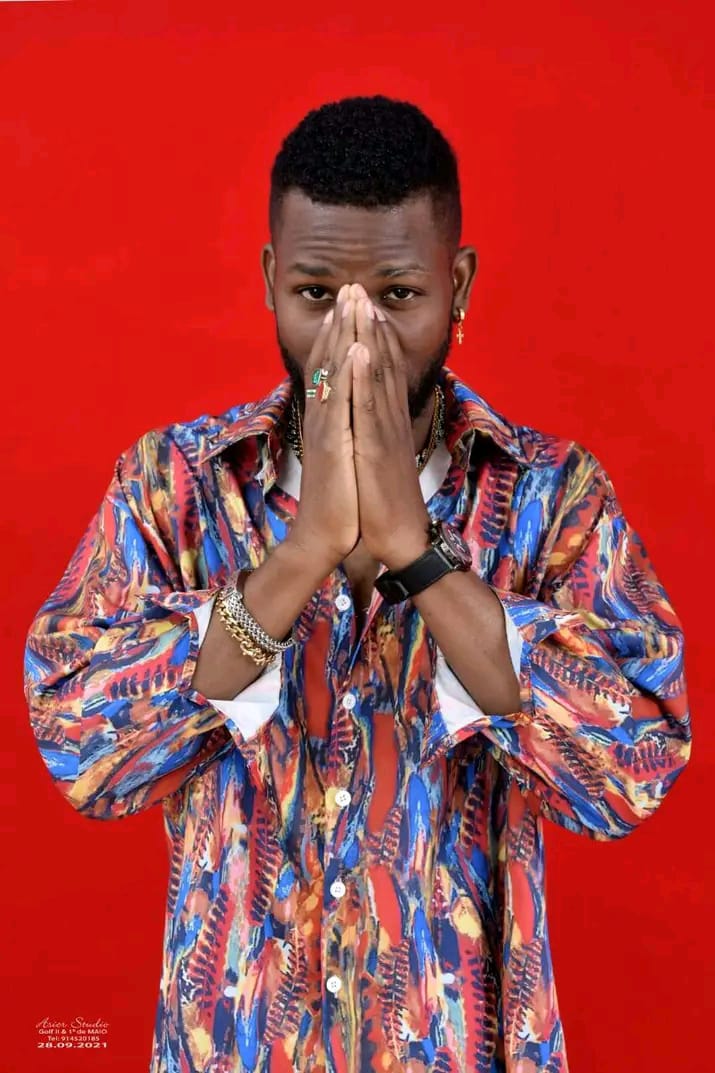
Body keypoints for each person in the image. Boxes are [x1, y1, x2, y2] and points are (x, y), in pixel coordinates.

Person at [24, 95, 691, 1073]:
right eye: (314, 292)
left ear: (457, 285)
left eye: (397, 294)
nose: (355, 338)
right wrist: (303, 552)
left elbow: (630, 768)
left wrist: (417, 553)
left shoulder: (553, 496)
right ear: (268, 280)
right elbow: (84, 746)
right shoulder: (173, 485)